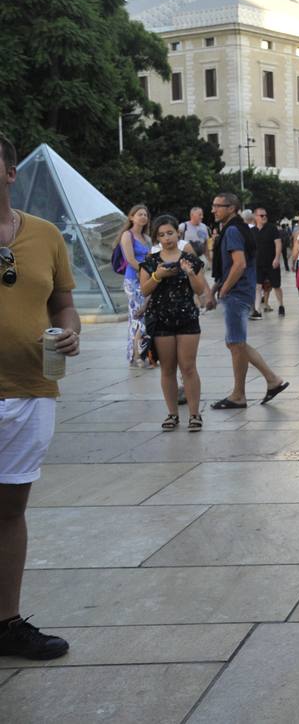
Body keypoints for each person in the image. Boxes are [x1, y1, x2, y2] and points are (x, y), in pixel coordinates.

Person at [0, 131, 80, 660]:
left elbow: (62, 305)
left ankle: (6, 622)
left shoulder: (46, 235)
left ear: (9, 172)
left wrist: (71, 331)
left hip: (31, 390)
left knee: (10, 508)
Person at [206, 193, 288, 409]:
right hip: (241, 291)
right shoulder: (238, 228)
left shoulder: (232, 230)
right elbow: (229, 266)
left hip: (237, 292)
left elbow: (239, 264)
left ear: (231, 208)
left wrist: (223, 289)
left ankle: (241, 394)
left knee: (235, 342)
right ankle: (270, 381)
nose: (213, 210)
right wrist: (215, 289)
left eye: (218, 206)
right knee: (235, 342)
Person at [139, 215, 207, 430]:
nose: (166, 238)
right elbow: (144, 290)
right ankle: (172, 414)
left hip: (187, 317)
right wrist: (158, 275)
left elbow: (200, 289)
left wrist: (189, 273)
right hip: (161, 320)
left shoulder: (190, 259)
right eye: (161, 235)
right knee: (167, 369)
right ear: (156, 238)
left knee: (188, 367)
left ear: (178, 233)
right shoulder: (151, 261)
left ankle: (195, 414)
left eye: (170, 233)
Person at [117, 204, 152, 367]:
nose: (143, 217)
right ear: (131, 217)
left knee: (143, 314)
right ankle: (138, 355)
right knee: (139, 315)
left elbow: (151, 259)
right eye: (140, 214)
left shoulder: (147, 238)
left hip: (146, 280)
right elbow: (130, 259)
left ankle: (137, 354)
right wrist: (144, 271)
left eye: (145, 214)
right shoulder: (127, 235)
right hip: (133, 280)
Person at [253, 206, 284, 317]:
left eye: (265, 215)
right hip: (258, 263)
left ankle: (281, 306)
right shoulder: (252, 231)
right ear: (255, 217)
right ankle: (257, 310)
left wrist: (276, 258)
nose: (264, 217)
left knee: (276, 286)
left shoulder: (272, 228)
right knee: (258, 286)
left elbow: (278, 243)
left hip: (271, 262)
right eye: (261, 215)